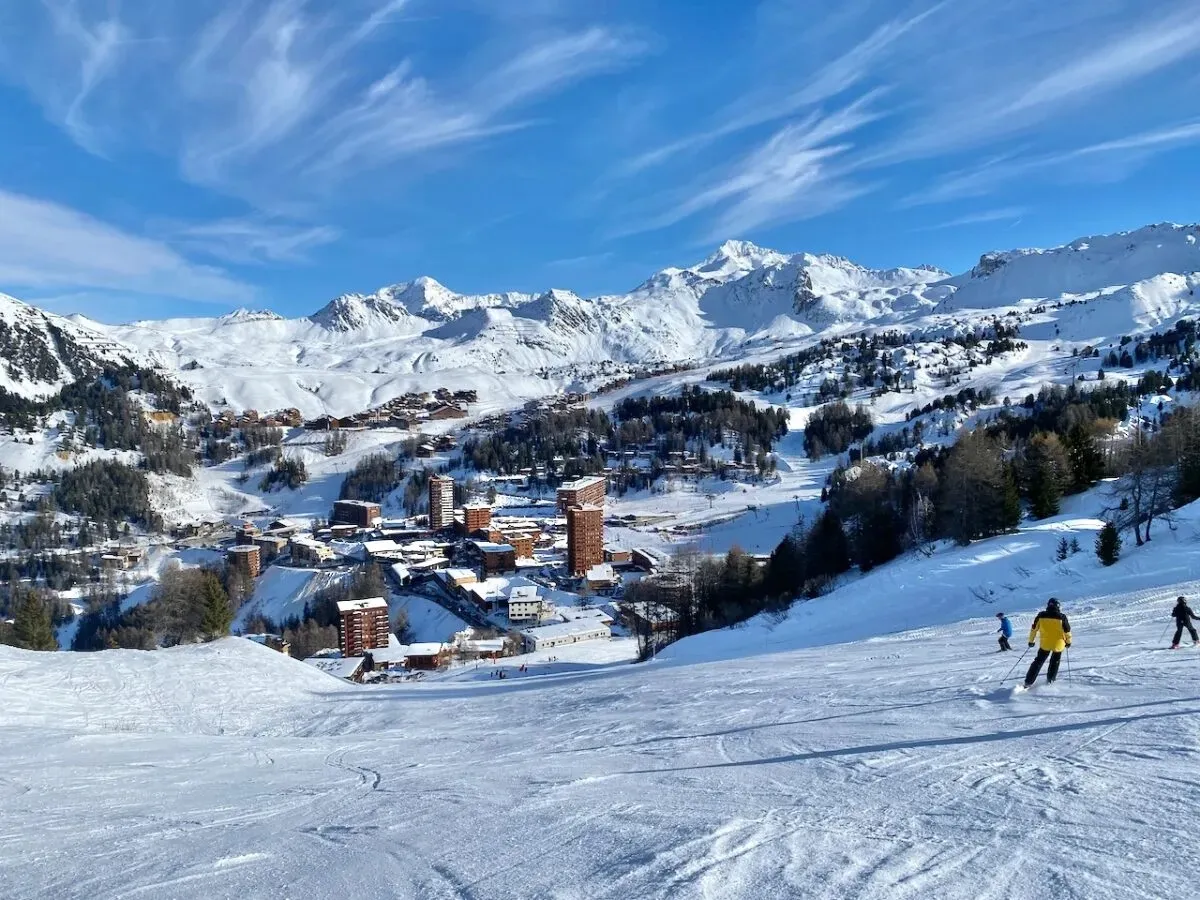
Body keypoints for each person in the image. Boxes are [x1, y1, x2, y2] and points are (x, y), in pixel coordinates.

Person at [1025, 598, 1071, 687]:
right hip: (1058, 644)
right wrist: (1068, 642)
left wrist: (1031, 641)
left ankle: (1028, 682)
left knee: (1038, 662)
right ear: (1058, 606)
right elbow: (1067, 632)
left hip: (1045, 644)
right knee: (1055, 662)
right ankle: (1050, 680)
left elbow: (1034, 629)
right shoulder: (1062, 617)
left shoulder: (1041, 615)